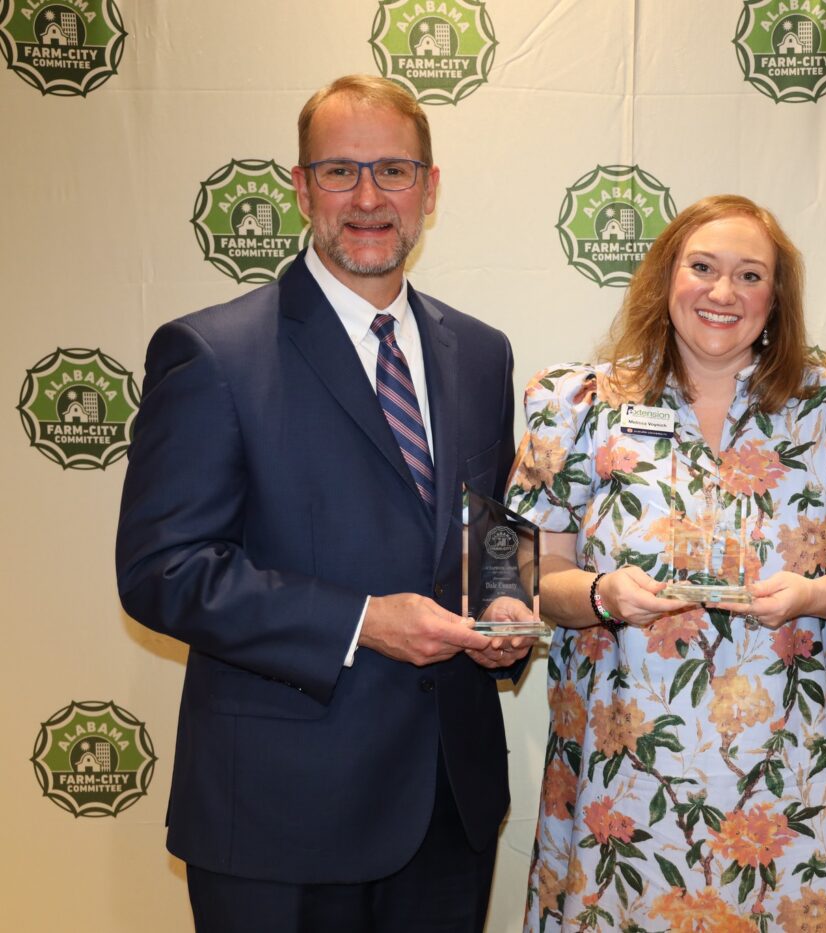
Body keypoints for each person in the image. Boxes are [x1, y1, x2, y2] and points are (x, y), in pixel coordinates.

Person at [115, 74, 532, 933]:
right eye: (341, 171)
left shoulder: (482, 353)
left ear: (431, 187)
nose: (370, 197)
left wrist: (506, 605)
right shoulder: (211, 352)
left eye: (394, 170)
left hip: (448, 809)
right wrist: (361, 622)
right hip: (278, 821)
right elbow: (164, 571)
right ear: (301, 187)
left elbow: (485, 532)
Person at [505, 195, 826, 931]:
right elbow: (541, 581)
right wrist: (605, 592)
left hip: (794, 772)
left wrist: (818, 593)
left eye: (750, 275)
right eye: (702, 267)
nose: (722, 292)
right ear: (666, 276)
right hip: (623, 776)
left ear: (777, 296)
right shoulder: (581, 403)